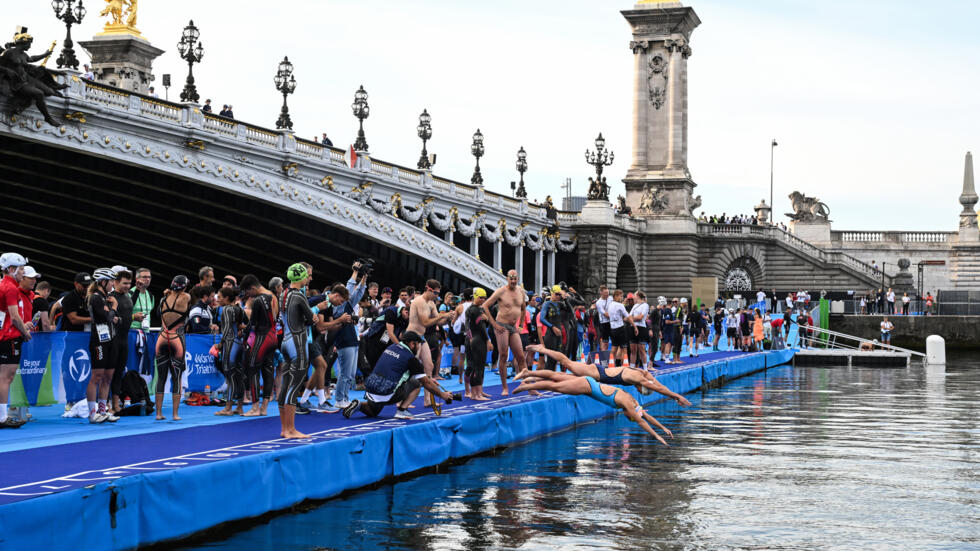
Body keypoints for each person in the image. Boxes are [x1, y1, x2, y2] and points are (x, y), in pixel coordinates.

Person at [512, 369, 671, 445]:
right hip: (587, 386)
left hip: (590, 385)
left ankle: (528, 374)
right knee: (556, 386)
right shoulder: (629, 405)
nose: (629, 417)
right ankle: (525, 385)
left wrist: (663, 428)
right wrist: (656, 436)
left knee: (557, 377)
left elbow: (645, 417)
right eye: (630, 418)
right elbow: (642, 422)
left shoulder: (634, 402)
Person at [525, 345, 692, 407]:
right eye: (641, 391)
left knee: (562, 376)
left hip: (597, 375)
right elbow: (657, 388)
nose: (639, 391)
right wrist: (676, 396)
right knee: (567, 363)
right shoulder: (637, 378)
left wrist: (675, 396)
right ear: (642, 387)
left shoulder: (642, 373)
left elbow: (657, 384)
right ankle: (543, 349)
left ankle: (535, 377)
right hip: (597, 373)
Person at [343, 331, 456, 420]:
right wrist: (442, 395)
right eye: (418, 345)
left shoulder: (391, 347)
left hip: (370, 390)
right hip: (387, 393)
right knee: (417, 383)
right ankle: (402, 410)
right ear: (412, 344)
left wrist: (428, 379)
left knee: (373, 412)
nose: (418, 348)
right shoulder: (411, 359)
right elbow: (425, 382)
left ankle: (359, 405)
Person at [278, 264, 319, 438]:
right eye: (307, 276)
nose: (309, 279)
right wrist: (313, 317)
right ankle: (291, 429)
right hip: (297, 343)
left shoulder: (283, 294)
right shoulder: (300, 296)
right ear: (301, 277)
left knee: (286, 385)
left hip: (286, 342)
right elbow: (311, 320)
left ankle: (283, 429)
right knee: (294, 387)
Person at [407, 279, 454, 404]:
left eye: (438, 294)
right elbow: (426, 322)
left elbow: (438, 322)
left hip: (421, 337)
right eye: (436, 293)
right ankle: (401, 401)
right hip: (411, 337)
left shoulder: (432, 303)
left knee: (429, 366)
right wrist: (443, 315)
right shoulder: (419, 302)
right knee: (409, 369)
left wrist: (449, 317)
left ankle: (427, 400)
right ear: (428, 289)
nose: (437, 296)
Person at [482, 270, 529, 395]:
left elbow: (523, 309)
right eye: (511, 279)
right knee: (503, 355)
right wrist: (494, 324)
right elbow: (485, 306)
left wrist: (520, 325)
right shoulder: (501, 291)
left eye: (515, 279)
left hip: (513, 327)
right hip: (501, 326)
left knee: (520, 356)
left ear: (517, 279)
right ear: (507, 279)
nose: (513, 281)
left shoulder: (520, 291)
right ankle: (505, 387)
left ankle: (528, 384)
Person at [85, 268, 120, 424]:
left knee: (108, 376)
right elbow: (105, 317)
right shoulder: (95, 298)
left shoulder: (108, 298)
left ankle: (102, 410)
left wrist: (112, 313)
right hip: (99, 340)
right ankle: (92, 413)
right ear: (103, 282)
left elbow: (115, 319)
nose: (113, 284)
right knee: (97, 376)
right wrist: (113, 308)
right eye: (111, 281)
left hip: (111, 339)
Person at [240, 274, 278, 416]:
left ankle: (255, 408)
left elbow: (253, 324)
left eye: (248, 292)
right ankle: (264, 408)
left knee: (253, 370)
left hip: (261, 338)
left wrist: (244, 335)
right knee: (268, 372)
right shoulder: (273, 296)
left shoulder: (258, 300)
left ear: (253, 288)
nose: (248, 296)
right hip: (273, 337)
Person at [0, 253, 31, 428]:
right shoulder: (11, 288)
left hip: (4, 335)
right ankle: (2, 417)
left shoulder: (3, 285)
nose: (23, 273)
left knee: (3, 377)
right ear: (11, 269)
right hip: (10, 338)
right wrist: (24, 332)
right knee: (6, 378)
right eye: (20, 269)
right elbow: (14, 317)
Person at [155, 275, 191, 420]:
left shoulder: (163, 298)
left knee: (161, 377)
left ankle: (158, 414)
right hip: (177, 339)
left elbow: (158, 314)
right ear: (185, 287)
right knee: (176, 377)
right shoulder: (186, 297)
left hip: (162, 338)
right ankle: (175, 414)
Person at [213, 287, 247, 416]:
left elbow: (227, 330)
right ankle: (239, 407)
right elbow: (248, 325)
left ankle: (228, 408)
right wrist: (240, 330)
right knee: (239, 376)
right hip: (238, 344)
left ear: (227, 298)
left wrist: (220, 344)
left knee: (230, 377)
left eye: (220, 297)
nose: (218, 299)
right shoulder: (239, 309)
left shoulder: (226, 309)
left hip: (230, 344)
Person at [108, 270, 134, 413]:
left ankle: (116, 404)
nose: (127, 286)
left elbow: (127, 315)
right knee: (109, 374)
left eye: (129, 283)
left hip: (124, 339)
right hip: (113, 340)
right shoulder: (110, 297)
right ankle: (105, 404)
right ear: (116, 282)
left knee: (118, 373)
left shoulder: (128, 296)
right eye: (124, 283)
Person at [464, 288, 492, 401]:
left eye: (484, 298)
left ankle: (478, 392)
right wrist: (488, 340)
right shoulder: (475, 310)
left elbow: (479, 325)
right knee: (477, 367)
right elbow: (480, 328)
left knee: (477, 367)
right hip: (478, 340)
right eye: (481, 297)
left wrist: (487, 320)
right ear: (475, 297)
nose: (483, 300)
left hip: (473, 339)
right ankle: (476, 394)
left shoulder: (474, 309)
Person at [606, 290, 629, 367]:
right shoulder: (620, 305)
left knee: (614, 347)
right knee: (624, 348)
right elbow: (627, 316)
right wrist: (634, 325)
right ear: (616, 296)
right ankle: (625, 366)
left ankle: (612, 364)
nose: (622, 298)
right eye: (621, 296)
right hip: (620, 328)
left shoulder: (610, 304)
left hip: (612, 328)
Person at [628, 291, 650, 369]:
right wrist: (633, 318)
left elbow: (641, 317)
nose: (633, 297)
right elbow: (628, 317)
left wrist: (632, 318)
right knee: (633, 350)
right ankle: (632, 368)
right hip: (633, 327)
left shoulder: (645, 305)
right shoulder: (635, 306)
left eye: (634, 295)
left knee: (642, 350)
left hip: (641, 328)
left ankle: (645, 368)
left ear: (637, 296)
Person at [594, 285, 612, 365]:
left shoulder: (611, 298)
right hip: (604, 324)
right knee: (605, 343)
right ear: (601, 293)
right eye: (605, 293)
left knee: (615, 343)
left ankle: (612, 361)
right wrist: (615, 316)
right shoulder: (598, 303)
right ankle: (604, 363)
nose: (607, 294)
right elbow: (605, 314)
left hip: (612, 323)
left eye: (608, 293)